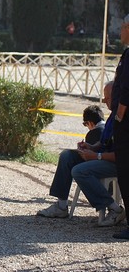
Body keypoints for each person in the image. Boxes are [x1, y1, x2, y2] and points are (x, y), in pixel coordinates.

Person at [37, 87, 125, 226]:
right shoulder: (113, 116)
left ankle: (115, 208)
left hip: (114, 162)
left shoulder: (123, 118)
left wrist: (97, 156)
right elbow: (106, 142)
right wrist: (91, 147)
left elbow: (122, 155)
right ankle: (61, 206)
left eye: (107, 97)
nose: (104, 100)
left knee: (79, 171)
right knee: (67, 156)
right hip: (102, 155)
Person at [111, 14, 129, 239]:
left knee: (126, 173)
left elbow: (126, 89)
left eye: (124, 27)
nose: (121, 31)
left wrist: (119, 116)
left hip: (126, 124)